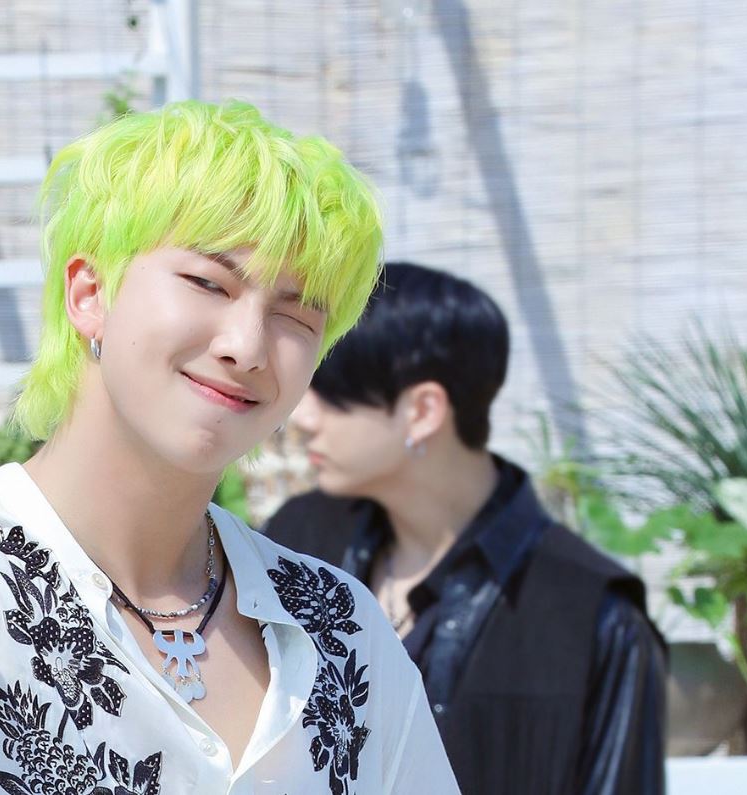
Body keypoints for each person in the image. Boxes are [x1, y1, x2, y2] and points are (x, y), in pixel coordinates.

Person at [0, 1, 460, 792]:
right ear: (89, 294)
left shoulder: (340, 629)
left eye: (296, 315)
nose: (246, 343)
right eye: (207, 282)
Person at [265, 262, 668, 794]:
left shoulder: (596, 618)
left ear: (423, 410)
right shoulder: (297, 540)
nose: (302, 417)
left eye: (331, 392)